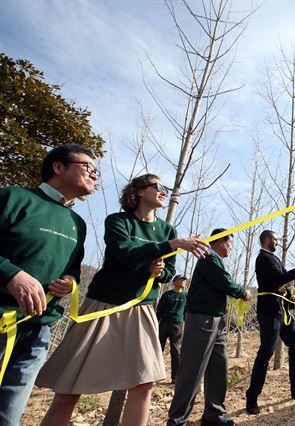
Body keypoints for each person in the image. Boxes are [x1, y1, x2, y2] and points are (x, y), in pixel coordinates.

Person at [36, 174, 210, 426]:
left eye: (166, 188)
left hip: (140, 309)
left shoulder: (167, 230)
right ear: (139, 191)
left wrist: (160, 271)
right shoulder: (118, 221)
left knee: (143, 383)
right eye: (157, 187)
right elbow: (125, 253)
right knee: (69, 388)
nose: (164, 192)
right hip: (102, 306)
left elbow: (170, 273)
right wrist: (169, 245)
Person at [0, 144, 98, 424]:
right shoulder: (14, 198)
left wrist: (70, 283)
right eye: (87, 167)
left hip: (38, 331)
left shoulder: (77, 223)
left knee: (10, 414)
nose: (94, 174)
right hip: (2, 318)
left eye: (96, 171)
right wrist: (11, 274)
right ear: (58, 167)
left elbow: (73, 270)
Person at [168, 228, 251, 426]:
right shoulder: (208, 258)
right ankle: (177, 420)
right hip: (201, 320)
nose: (231, 248)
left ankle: (213, 415)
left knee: (219, 366)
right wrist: (243, 292)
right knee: (192, 369)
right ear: (220, 242)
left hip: (217, 320)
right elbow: (225, 283)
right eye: (230, 243)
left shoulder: (215, 260)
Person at [245, 230, 295, 415]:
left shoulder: (273, 258)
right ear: (267, 240)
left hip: (281, 310)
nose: (277, 242)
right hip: (269, 311)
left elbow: (280, 281)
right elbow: (280, 278)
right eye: (275, 239)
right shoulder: (263, 258)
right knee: (266, 352)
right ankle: (252, 399)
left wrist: (288, 290)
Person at [157, 274, 188, 383]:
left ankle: (175, 378)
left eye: (184, 280)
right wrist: (156, 323)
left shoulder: (186, 296)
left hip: (177, 326)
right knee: (158, 349)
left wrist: (185, 324)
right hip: (164, 324)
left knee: (176, 351)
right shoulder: (167, 295)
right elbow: (159, 311)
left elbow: (186, 312)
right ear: (175, 282)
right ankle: (155, 375)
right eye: (181, 280)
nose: (183, 282)